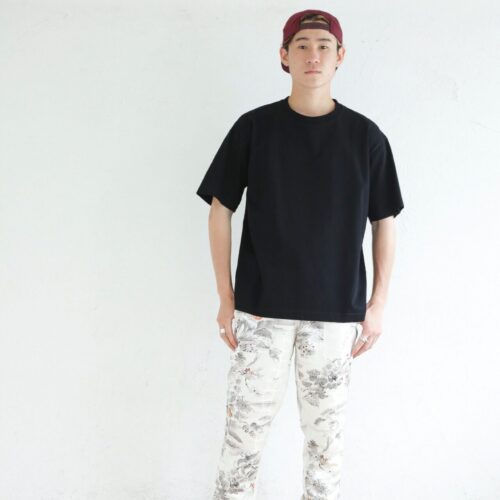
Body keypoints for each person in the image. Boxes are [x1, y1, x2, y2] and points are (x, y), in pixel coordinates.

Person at [196, 9, 404, 500]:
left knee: (325, 443)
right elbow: (220, 208)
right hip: (260, 311)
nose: (314, 55)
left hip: (334, 315)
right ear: (284, 56)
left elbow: (385, 221)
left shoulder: (366, 137)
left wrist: (377, 305)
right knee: (242, 438)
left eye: (324, 46)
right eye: (303, 45)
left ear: (340, 56)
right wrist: (226, 296)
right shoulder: (254, 128)